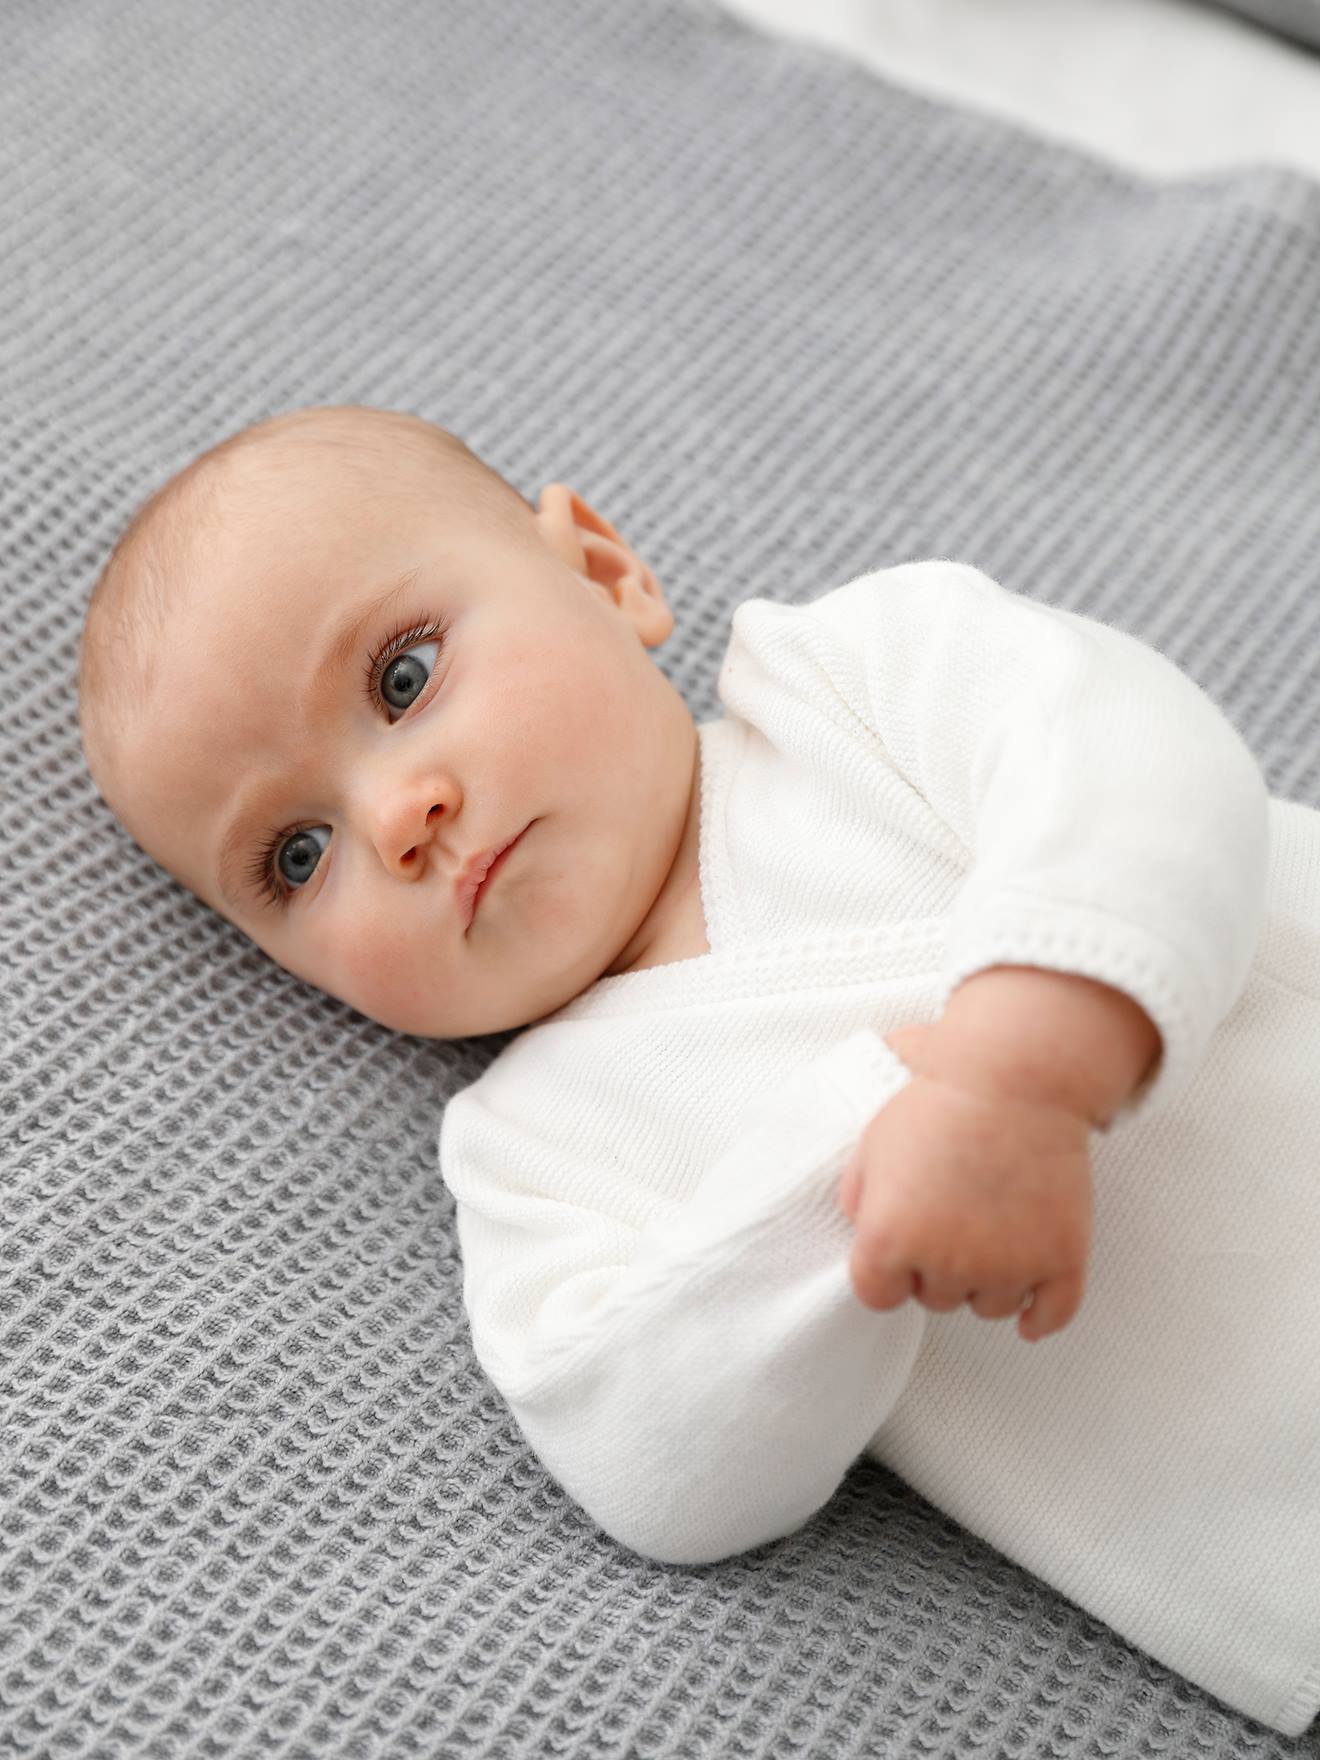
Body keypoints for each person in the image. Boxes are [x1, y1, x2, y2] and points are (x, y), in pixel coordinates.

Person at [76, 403, 1320, 1737]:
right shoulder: (535, 1153)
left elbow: (1139, 760)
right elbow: (658, 1464)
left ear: (605, 575)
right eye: (297, 857)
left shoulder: (850, 682)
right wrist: (851, 1160)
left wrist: (1024, 1065)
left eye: (401, 678)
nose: (396, 818)